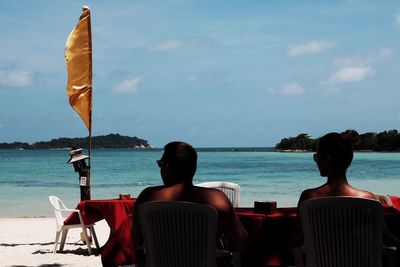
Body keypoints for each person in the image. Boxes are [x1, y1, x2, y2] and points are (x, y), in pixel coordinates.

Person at [132, 141, 249, 264]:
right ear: (193, 168)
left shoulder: (147, 196)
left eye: (160, 164)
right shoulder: (216, 198)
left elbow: (137, 240)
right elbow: (241, 242)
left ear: (166, 168)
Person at [296, 130, 398, 247]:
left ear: (327, 159)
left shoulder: (308, 197)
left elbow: (296, 240)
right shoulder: (367, 199)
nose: (316, 161)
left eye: (316, 156)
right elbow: (387, 239)